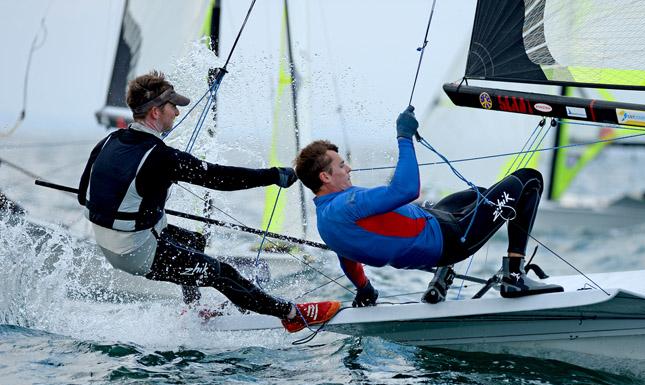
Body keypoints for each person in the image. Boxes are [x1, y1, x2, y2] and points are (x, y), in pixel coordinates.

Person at [78, 70, 339, 332]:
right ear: (155, 112)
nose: (177, 113)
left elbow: (83, 196)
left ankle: (193, 310)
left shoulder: (109, 140)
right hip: (137, 253)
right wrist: (273, 176)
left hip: (110, 241)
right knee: (220, 272)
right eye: (173, 107)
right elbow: (218, 178)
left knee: (194, 241)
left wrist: (138, 204)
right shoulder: (160, 157)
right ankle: (293, 314)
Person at [294, 105, 563, 307]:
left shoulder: (325, 223)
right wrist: (404, 137)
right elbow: (407, 189)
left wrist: (364, 289)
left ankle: (441, 278)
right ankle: (514, 276)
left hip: (434, 226)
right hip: (452, 239)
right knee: (529, 179)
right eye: (341, 165)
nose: (348, 167)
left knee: (479, 194)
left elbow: (348, 259)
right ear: (325, 177)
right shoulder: (349, 203)